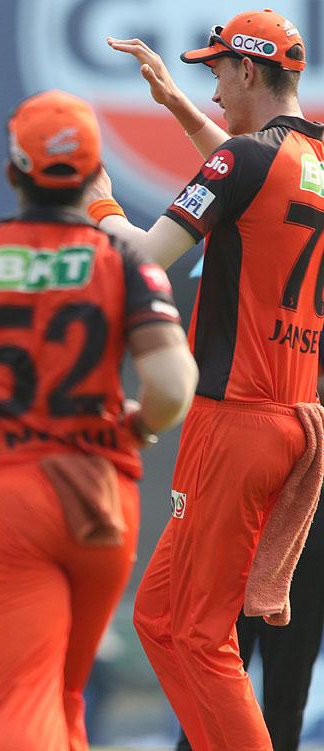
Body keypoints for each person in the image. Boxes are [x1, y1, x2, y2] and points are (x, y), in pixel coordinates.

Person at [0, 89, 197, 749]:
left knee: (29, 693)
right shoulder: (126, 261)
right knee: (64, 693)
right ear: (93, 176)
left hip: (8, 496)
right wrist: (140, 424)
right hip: (102, 500)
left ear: (13, 172)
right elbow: (173, 384)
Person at [87, 10, 324, 748]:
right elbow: (252, 180)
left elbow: (145, 260)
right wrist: (178, 109)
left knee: (198, 633)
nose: (214, 88)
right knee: (161, 617)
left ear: (248, 70)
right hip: (295, 416)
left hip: (237, 419)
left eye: (217, 71)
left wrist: (94, 203)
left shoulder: (242, 163)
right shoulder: (308, 159)